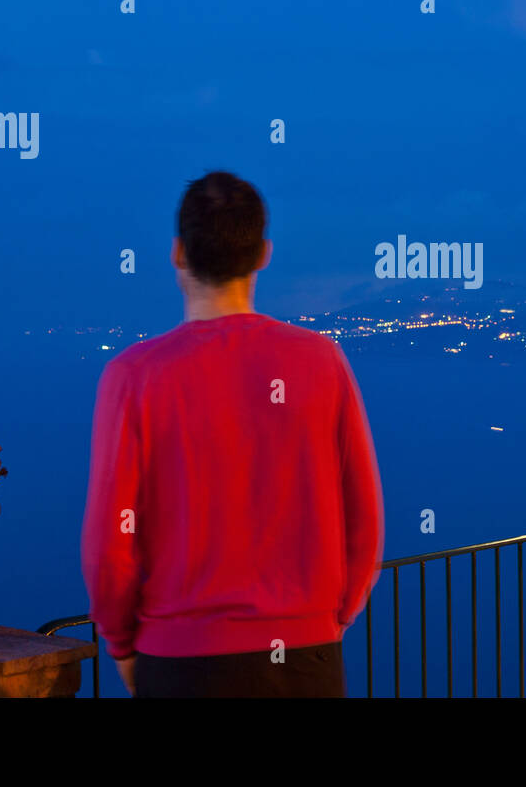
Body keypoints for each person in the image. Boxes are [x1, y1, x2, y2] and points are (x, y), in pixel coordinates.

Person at [81, 170, 384, 696]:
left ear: (178, 253)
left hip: (179, 660)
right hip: (304, 657)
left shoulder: (133, 375)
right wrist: (329, 619)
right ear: (263, 253)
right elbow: (364, 517)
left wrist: (121, 644)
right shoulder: (320, 362)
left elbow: (111, 543)